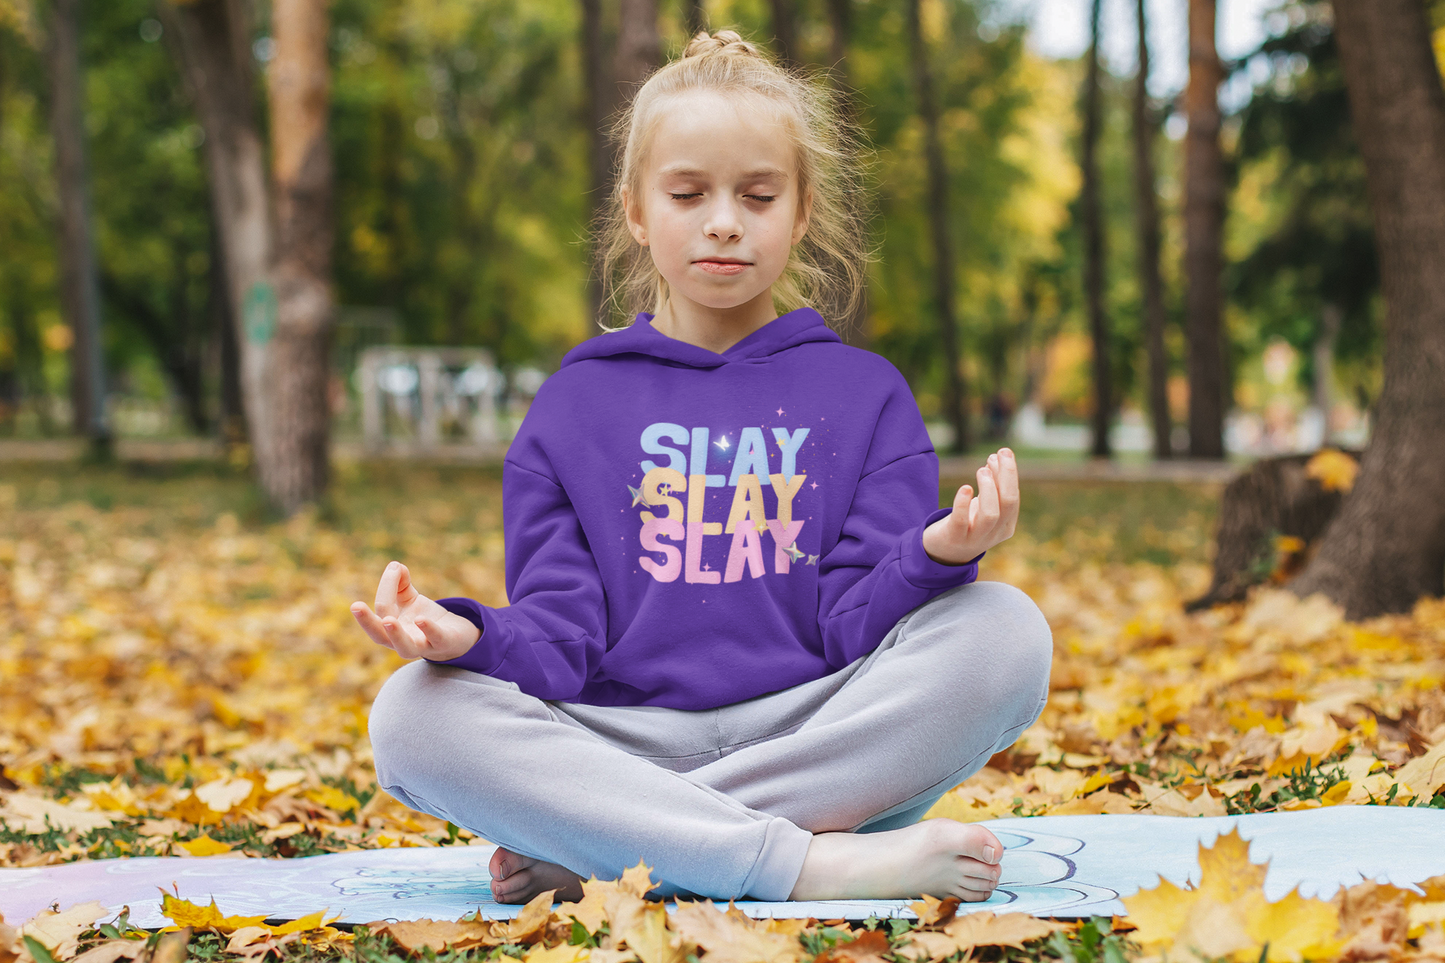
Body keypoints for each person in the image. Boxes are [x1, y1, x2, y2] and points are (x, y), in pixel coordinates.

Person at [354, 30, 1052, 907]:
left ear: (800, 212)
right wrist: (469, 637)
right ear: (638, 210)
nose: (723, 219)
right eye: (687, 192)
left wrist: (940, 551)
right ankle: (806, 863)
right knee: (412, 714)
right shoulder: (571, 406)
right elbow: (563, 642)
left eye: (758, 195)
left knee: (1006, 631)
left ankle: (617, 850)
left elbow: (850, 628)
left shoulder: (865, 393)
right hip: (620, 743)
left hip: (814, 726)